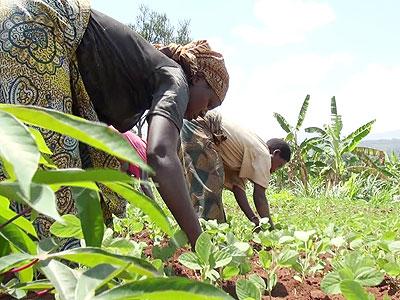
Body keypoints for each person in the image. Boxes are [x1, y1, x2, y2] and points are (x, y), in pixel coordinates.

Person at [0, 0, 229, 248]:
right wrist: (200, 242)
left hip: (27, 19)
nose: (202, 114)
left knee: (76, 175)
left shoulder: (147, 76)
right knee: (48, 167)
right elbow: (161, 156)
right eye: (209, 103)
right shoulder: (176, 78)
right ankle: (49, 269)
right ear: (197, 77)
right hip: (38, 26)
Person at [181, 111, 290, 229]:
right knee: (209, 188)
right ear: (275, 153)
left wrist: (254, 219)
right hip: (198, 129)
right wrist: (270, 229)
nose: (275, 170)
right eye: (279, 165)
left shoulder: (245, 158)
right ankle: (207, 236)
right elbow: (259, 196)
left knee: (209, 189)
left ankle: (208, 231)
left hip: (193, 128)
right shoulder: (263, 155)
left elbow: (238, 189)